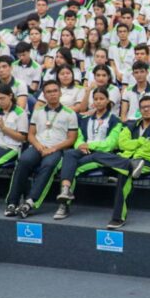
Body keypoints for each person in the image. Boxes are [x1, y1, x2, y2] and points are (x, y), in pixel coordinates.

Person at [4, 80, 78, 218]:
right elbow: (31, 134)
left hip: (57, 149)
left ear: (60, 93)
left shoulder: (70, 113)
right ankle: (12, 202)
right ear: (44, 95)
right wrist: (39, 146)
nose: (52, 94)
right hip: (38, 146)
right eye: (48, 92)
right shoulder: (38, 111)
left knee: (48, 165)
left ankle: (30, 202)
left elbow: (71, 139)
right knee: (23, 161)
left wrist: (53, 148)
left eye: (55, 91)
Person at [51, 88, 124, 218]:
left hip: (101, 155)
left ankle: (64, 205)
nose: (98, 102)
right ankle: (66, 190)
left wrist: (89, 145)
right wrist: (80, 145)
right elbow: (79, 138)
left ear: (107, 101)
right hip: (84, 151)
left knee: (72, 167)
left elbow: (111, 144)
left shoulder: (114, 120)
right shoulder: (85, 118)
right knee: (69, 154)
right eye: (96, 99)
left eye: (101, 99)